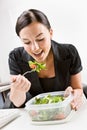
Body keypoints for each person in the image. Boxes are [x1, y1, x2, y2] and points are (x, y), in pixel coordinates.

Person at [8, 9, 83, 110]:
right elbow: (18, 103)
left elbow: (77, 88)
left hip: (64, 112)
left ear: (50, 33)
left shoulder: (69, 52)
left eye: (40, 39)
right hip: (33, 116)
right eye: (27, 42)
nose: (35, 48)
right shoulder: (15, 57)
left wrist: (74, 95)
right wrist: (18, 90)